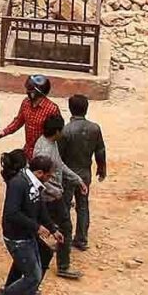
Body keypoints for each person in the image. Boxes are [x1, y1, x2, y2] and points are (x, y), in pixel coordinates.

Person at [0, 151, 56, 295]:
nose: (50, 179)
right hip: (17, 238)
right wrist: (37, 227)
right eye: (49, 175)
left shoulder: (33, 183)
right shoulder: (19, 184)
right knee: (33, 275)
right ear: (39, 173)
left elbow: (40, 207)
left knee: (40, 263)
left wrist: (52, 228)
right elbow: (12, 213)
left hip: (27, 235)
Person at [54, 94, 106, 251]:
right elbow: (100, 150)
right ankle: (82, 238)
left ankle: (65, 239)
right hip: (85, 172)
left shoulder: (65, 130)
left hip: (68, 173)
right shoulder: (94, 128)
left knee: (64, 208)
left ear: (70, 109)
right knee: (83, 206)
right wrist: (102, 168)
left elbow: (59, 157)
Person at [0, 74, 64, 163]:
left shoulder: (52, 109)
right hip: (28, 151)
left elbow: (57, 133)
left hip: (43, 153)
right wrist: (4, 132)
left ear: (38, 92)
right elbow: (18, 121)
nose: (28, 92)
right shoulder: (26, 103)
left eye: (30, 91)